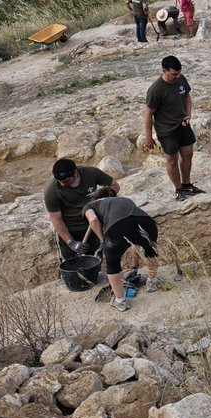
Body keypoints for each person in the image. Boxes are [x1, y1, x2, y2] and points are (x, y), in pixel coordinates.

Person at [83, 187, 162, 312]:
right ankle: (152, 282)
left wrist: (102, 239)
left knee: (113, 262)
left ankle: (120, 301)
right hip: (147, 222)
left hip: (117, 228)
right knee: (150, 250)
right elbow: (135, 242)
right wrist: (134, 268)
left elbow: (93, 219)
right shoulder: (124, 200)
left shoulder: (90, 205)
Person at [143, 56, 204, 201]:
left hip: (183, 125)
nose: (177, 77)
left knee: (188, 155)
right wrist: (149, 137)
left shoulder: (181, 79)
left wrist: (188, 115)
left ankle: (187, 185)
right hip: (166, 130)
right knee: (171, 160)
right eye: (174, 74)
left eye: (178, 73)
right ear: (163, 71)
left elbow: (187, 98)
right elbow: (148, 114)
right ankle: (178, 190)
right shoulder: (155, 90)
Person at [45, 158, 119, 261]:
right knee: (70, 264)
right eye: (60, 181)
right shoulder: (52, 191)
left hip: (93, 226)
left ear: (75, 173)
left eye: (66, 181)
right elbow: (56, 219)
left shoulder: (91, 173)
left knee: (94, 261)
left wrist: (102, 202)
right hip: (70, 230)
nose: (62, 184)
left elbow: (114, 186)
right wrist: (71, 243)